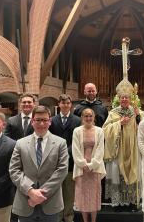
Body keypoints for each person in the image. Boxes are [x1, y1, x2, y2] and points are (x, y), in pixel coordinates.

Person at [9, 105, 68, 222]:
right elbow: (14, 170)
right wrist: (30, 191)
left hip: (50, 202)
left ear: (50, 122)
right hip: (26, 202)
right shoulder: (20, 143)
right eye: (38, 120)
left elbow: (62, 170)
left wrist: (40, 194)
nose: (41, 124)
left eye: (45, 120)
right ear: (32, 121)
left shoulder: (60, 143)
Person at [103, 79, 142, 210]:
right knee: (117, 174)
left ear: (131, 99)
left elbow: (142, 128)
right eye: (122, 97)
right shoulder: (113, 113)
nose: (124, 99)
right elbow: (105, 129)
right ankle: (118, 203)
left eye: (127, 97)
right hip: (118, 150)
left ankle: (132, 202)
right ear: (119, 99)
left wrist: (137, 117)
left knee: (133, 172)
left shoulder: (135, 111)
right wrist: (119, 123)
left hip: (132, 149)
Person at [49, 94, 81, 222]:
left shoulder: (77, 120)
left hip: (71, 160)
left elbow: (78, 140)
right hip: (55, 160)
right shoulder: (52, 120)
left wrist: (66, 151)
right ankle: (57, 216)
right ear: (59, 105)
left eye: (68, 103)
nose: (65, 105)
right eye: (63, 103)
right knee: (56, 191)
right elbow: (49, 138)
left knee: (69, 191)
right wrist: (58, 151)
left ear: (71, 105)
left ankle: (68, 216)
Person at [72, 108, 106, 222]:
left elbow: (101, 150)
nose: (88, 118)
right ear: (82, 118)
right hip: (81, 169)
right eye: (86, 116)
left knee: (93, 196)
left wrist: (92, 165)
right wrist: (83, 165)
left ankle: (94, 220)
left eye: (90, 116)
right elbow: (75, 149)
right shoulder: (77, 131)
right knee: (83, 196)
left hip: (95, 168)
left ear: (94, 117)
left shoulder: (99, 131)